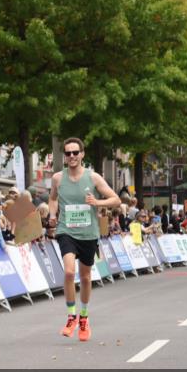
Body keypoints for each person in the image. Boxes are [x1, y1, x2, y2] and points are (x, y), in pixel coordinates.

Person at [47, 137, 120, 342]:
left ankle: (84, 318)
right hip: (66, 230)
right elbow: (52, 198)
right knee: (69, 272)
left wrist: (96, 202)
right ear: (65, 156)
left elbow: (116, 199)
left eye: (75, 153)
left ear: (82, 154)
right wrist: (52, 216)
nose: (72, 156)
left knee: (86, 277)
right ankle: (71, 316)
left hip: (88, 233)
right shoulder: (58, 178)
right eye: (68, 153)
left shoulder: (93, 177)